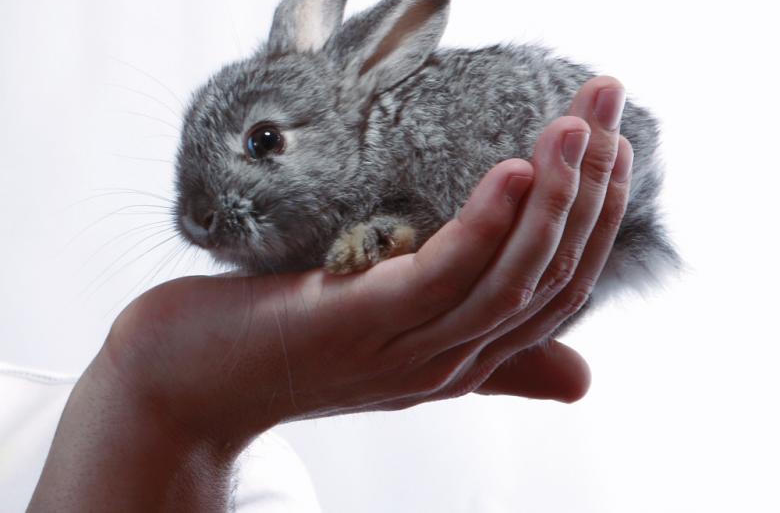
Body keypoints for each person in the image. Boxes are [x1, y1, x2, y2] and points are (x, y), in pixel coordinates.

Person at [26, 77, 632, 512]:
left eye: (263, 143)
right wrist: (162, 407)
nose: (200, 218)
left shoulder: (256, 480)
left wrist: (171, 416)